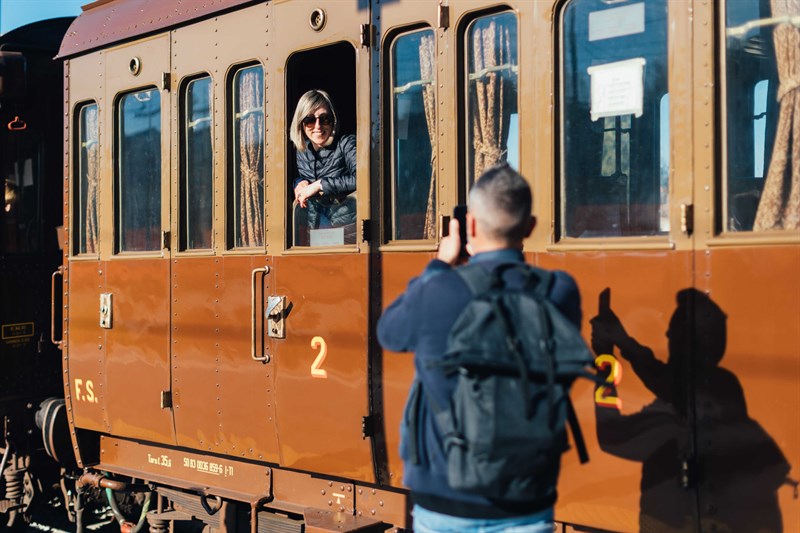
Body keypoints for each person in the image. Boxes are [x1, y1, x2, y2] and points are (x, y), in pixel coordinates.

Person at [377, 164, 583, 533]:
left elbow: (389, 332)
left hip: (443, 499)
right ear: (530, 227)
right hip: (526, 499)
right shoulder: (560, 292)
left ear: (470, 226)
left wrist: (440, 264)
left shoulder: (437, 291)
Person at [289, 89, 357, 233]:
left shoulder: (347, 143)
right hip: (316, 227)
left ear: (333, 120)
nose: (318, 126)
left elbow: (362, 179)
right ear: (301, 123)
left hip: (349, 230)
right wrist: (299, 183)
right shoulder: (302, 150)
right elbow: (302, 178)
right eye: (310, 120)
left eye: (325, 119)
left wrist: (320, 185)